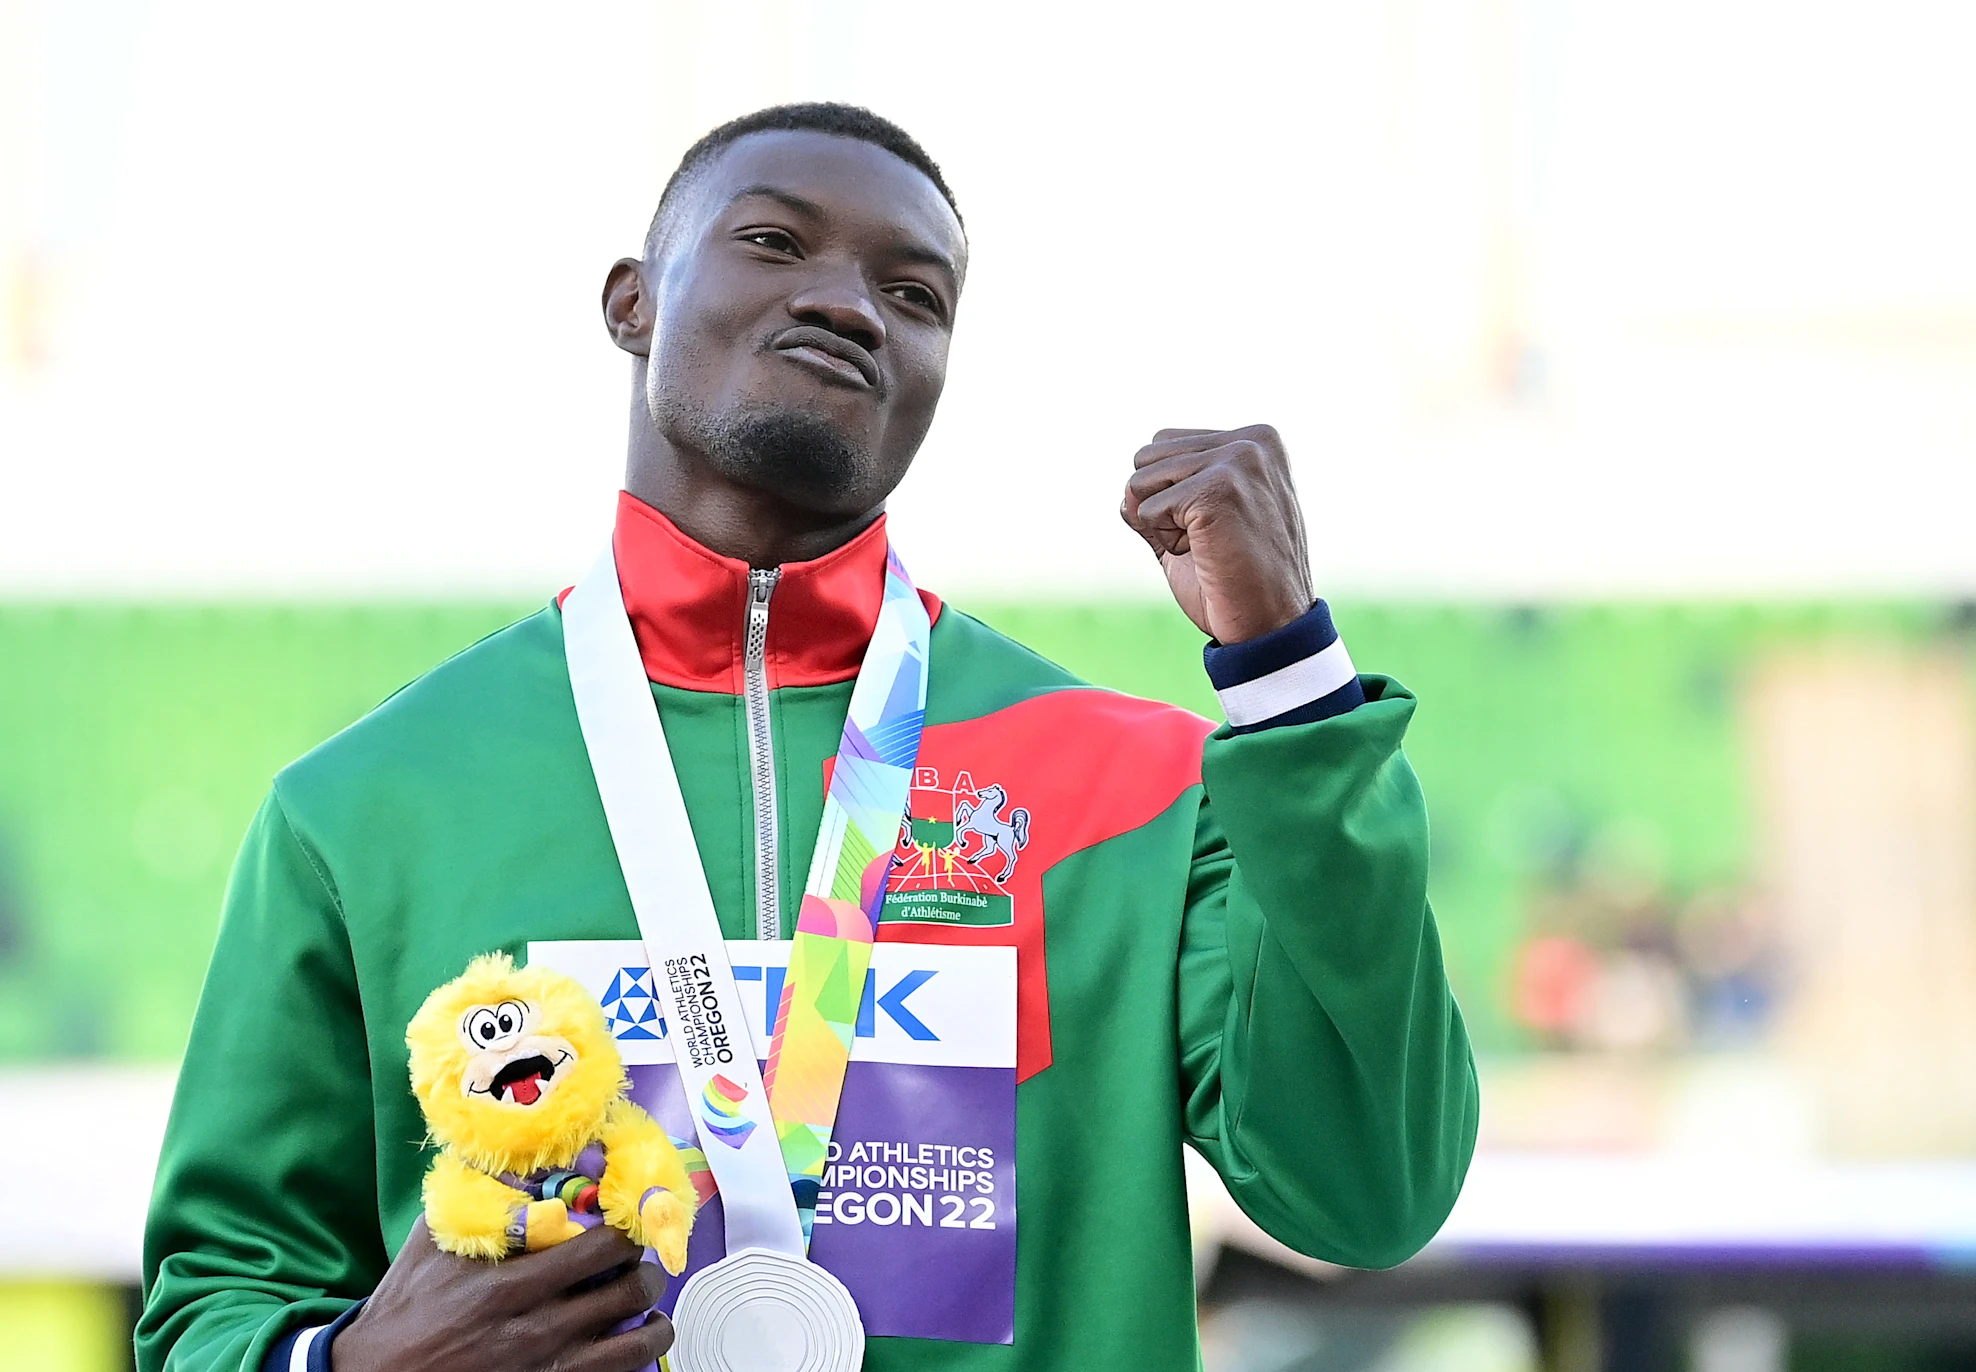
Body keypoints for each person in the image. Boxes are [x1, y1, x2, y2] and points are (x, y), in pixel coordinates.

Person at [136, 102, 1478, 1372]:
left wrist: (1290, 677)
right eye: (775, 241)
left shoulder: (1142, 794)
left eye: (916, 294)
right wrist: (350, 1361)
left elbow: (1371, 1193)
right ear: (631, 301)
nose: (848, 303)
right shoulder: (369, 807)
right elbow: (215, 1299)